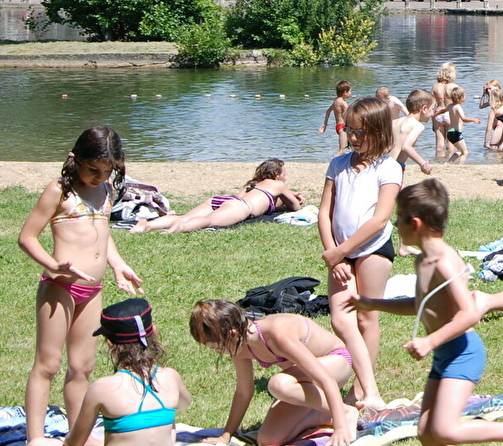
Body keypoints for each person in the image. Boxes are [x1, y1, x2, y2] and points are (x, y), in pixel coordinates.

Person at [347, 180, 503, 446]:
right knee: (427, 432)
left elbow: (470, 313)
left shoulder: (444, 262)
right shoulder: (422, 259)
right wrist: (372, 303)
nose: (396, 225)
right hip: (445, 354)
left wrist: (429, 341)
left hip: (463, 352)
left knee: (446, 430)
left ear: (415, 224)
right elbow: (421, 305)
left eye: (399, 219)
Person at [19, 127, 142, 446]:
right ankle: (35, 437)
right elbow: (27, 237)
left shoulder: (105, 191)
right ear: (76, 159)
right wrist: (52, 265)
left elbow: (102, 233)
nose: (99, 177)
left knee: (82, 366)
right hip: (59, 288)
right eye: (93, 170)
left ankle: (77, 434)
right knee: (48, 363)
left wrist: (117, 264)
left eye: (106, 171)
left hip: (93, 291)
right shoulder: (60, 191)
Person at [319, 95, 401, 408]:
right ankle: (370, 388)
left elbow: (380, 218)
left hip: (374, 249)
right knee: (341, 319)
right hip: (338, 252)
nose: (353, 137)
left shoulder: (389, 168)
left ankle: (360, 389)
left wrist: (341, 251)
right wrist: (333, 252)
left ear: (380, 133)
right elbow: (325, 212)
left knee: (366, 319)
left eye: (360, 133)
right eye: (350, 130)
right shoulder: (338, 165)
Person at [188, 300, 356, 446]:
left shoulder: (277, 334)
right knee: (268, 439)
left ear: (232, 334)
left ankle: (344, 412)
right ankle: (320, 415)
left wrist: (341, 428)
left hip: (335, 364)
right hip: (306, 380)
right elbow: (244, 391)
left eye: (216, 347)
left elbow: (325, 379)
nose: (218, 352)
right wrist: (226, 435)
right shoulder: (239, 346)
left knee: (278, 384)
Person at [65, 299, 190, 446]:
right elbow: (184, 403)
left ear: (110, 343)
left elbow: (74, 443)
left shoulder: (102, 388)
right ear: (154, 331)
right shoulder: (171, 377)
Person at [132, 159, 303, 234]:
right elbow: (295, 206)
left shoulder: (253, 183)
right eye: (284, 173)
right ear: (277, 174)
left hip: (223, 201)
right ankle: (176, 229)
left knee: (185, 216)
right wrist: (293, 197)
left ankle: (147, 226)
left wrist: (282, 201)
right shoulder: (278, 185)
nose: (285, 177)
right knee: (209, 221)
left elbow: (267, 204)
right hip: (240, 207)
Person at [392, 89, 436, 174]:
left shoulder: (395, 122)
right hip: (396, 166)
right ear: (424, 108)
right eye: (433, 108)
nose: (433, 113)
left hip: (384, 163)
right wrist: (423, 164)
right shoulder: (417, 125)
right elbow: (406, 147)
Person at [440, 85, 478, 163]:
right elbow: (463, 119)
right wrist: (473, 119)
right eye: (465, 95)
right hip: (456, 133)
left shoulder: (450, 106)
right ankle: (460, 166)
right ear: (461, 97)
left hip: (450, 133)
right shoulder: (458, 107)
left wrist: (435, 114)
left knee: (460, 151)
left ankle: (448, 163)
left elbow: (443, 110)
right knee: (465, 152)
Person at [431, 63, 458, 157]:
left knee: (439, 142)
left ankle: (438, 160)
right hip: (449, 114)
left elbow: (432, 104)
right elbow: (458, 104)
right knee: (450, 141)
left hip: (438, 113)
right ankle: (450, 159)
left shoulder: (435, 87)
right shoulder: (454, 86)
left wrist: (432, 119)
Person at [322, 81, 352, 154]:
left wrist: (325, 124)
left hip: (338, 126)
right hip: (343, 128)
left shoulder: (336, 102)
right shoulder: (343, 103)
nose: (351, 93)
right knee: (342, 150)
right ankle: (336, 161)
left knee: (349, 147)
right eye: (350, 91)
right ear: (345, 92)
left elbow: (328, 111)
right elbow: (350, 114)